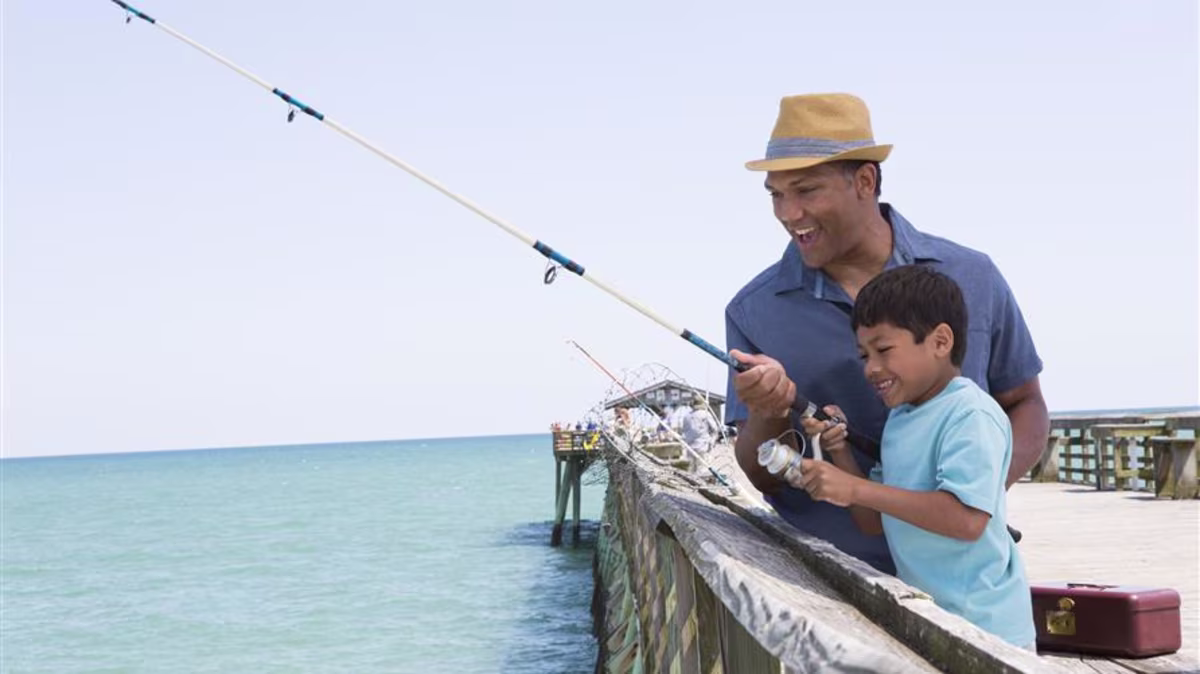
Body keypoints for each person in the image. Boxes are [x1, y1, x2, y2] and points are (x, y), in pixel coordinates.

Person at [725, 93, 1048, 574]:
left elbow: (1025, 403)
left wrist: (970, 495)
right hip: (827, 586)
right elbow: (761, 474)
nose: (789, 213)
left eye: (807, 190)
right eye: (776, 194)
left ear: (865, 180)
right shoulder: (752, 310)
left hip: (966, 572)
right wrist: (767, 412)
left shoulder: (974, 276)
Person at [795, 265, 1035, 649]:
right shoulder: (900, 419)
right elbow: (873, 522)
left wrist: (854, 487)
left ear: (940, 341)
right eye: (863, 355)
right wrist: (839, 451)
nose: (871, 368)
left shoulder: (970, 413)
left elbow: (966, 519)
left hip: (989, 630)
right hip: (931, 623)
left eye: (884, 350)